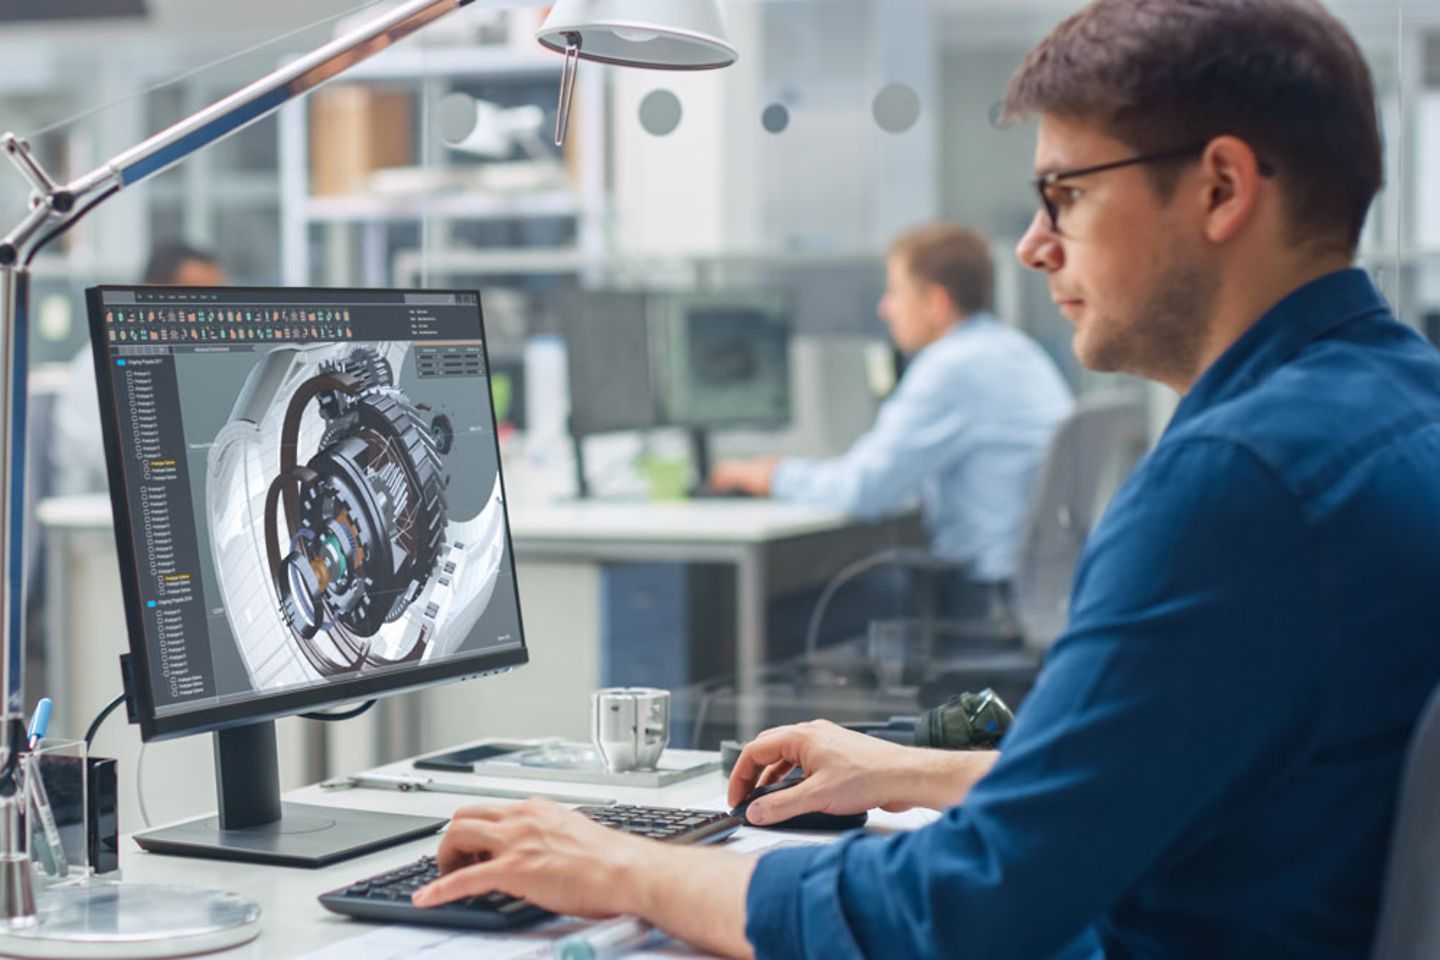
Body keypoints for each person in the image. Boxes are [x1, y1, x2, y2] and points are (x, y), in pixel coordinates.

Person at [406, 1, 1440, 957]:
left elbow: (962, 908)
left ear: (1220, 187)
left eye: (1064, 194)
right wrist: (911, 770)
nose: (1034, 246)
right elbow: (1177, 772)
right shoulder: (1397, 406)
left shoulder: (1237, 484)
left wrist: (623, 865)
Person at [709, 225, 1073, 585]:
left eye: (895, 292)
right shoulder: (1018, 351)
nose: (885, 308)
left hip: (981, 594)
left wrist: (768, 475)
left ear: (935, 302)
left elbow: (863, 491)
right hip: (1039, 584)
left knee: (790, 609)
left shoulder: (950, 366)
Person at [50, 242, 226, 496]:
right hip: (101, 517)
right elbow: (119, 467)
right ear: (152, 294)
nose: (211, 315)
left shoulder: (194, 365)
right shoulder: (98, 366)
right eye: (199, 298)